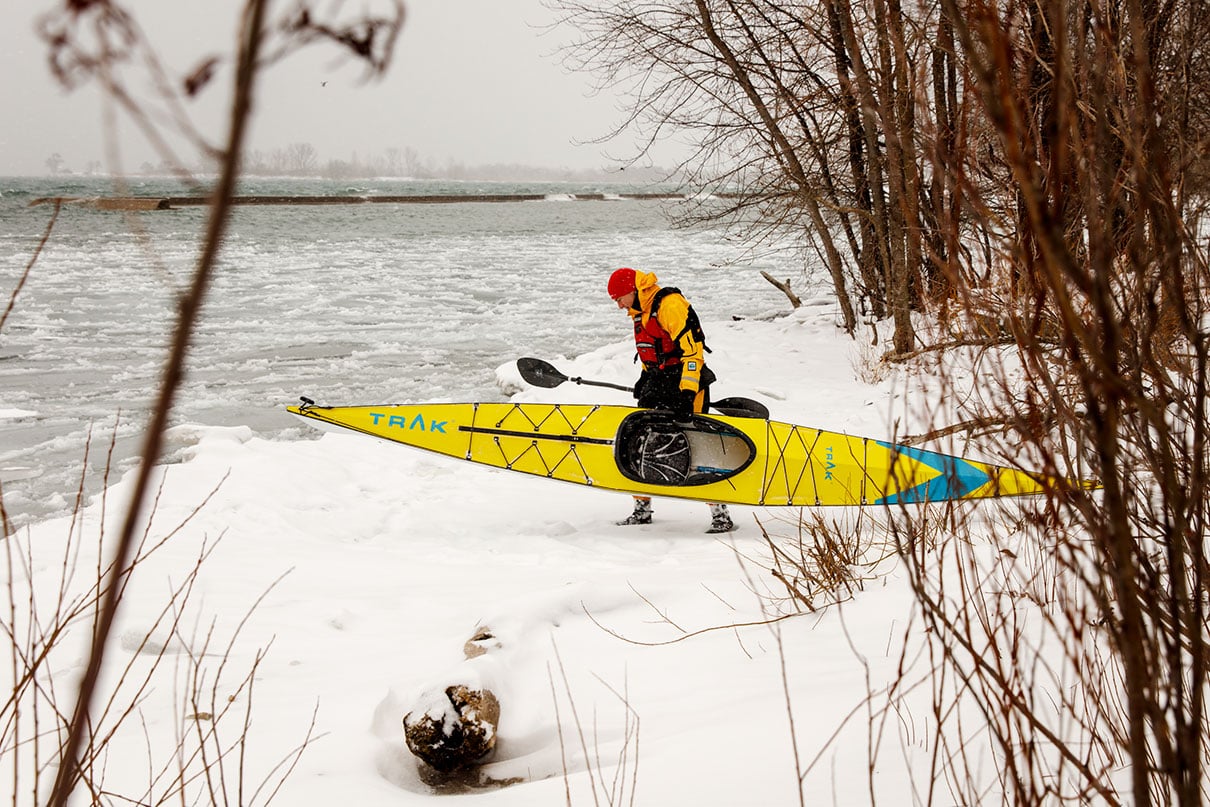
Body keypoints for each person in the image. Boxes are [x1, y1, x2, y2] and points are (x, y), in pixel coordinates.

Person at [607, 267, 735, 534]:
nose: (618, 305)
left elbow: (693, 353)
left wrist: (688, 395)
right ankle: (642, 510)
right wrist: (644, 380)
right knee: (639, 443)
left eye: (619, 298)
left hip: (686, 384)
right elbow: (650, 353)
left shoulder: (669, 305)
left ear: (632, 290)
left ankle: (720, 514)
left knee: (699, 445)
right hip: (658, 385)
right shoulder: (639, 313)